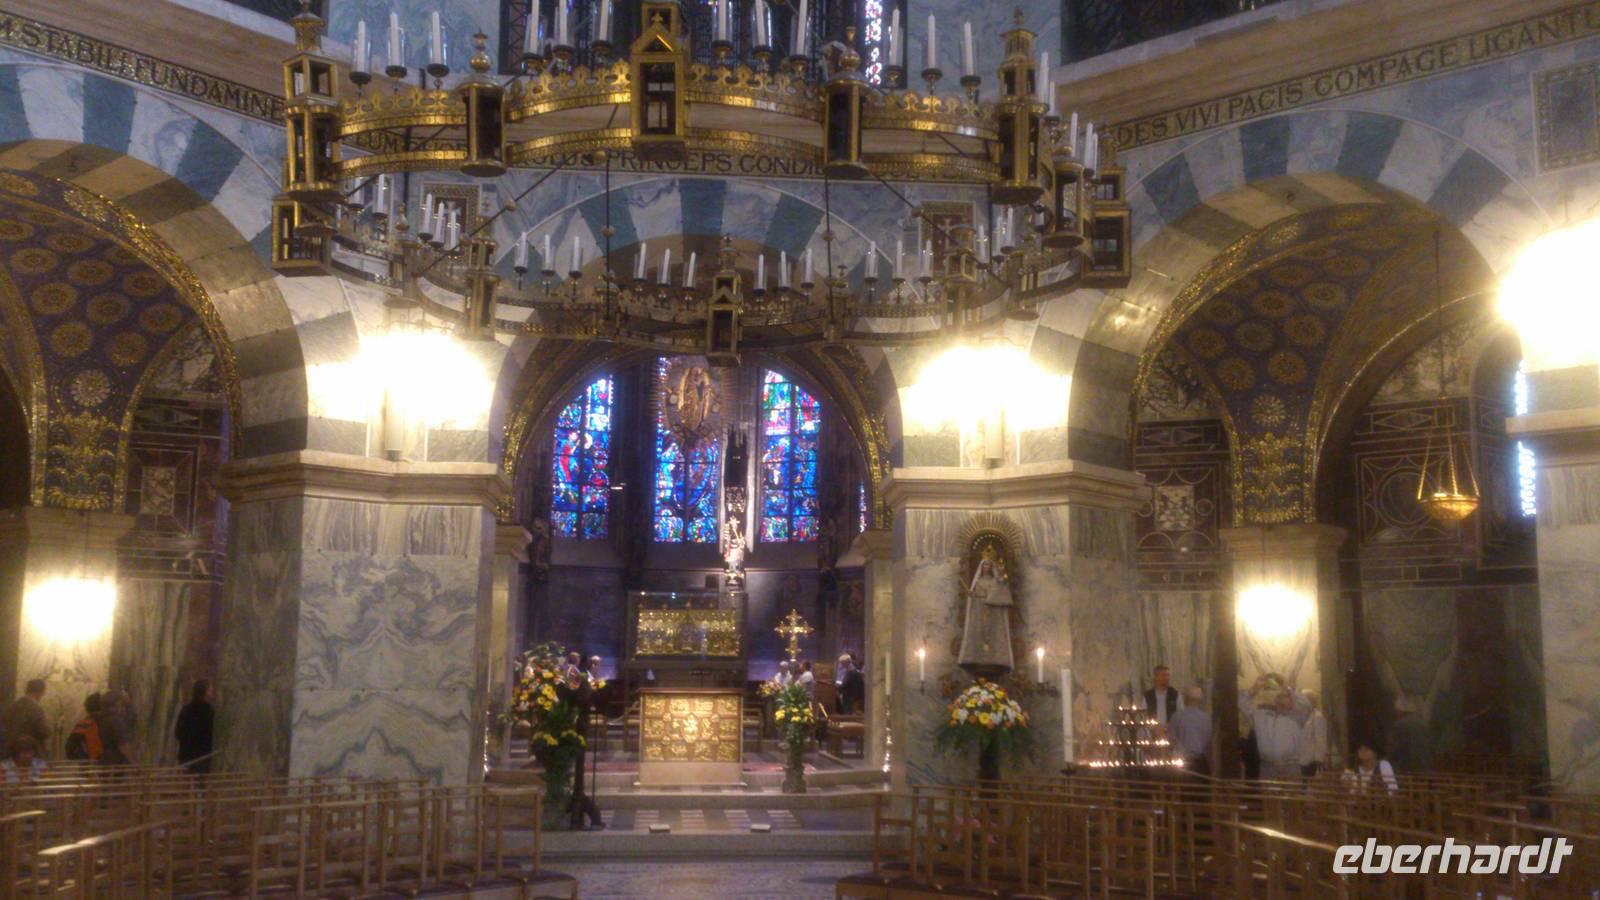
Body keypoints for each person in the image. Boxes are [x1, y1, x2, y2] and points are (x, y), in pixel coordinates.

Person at [1252, 687, 1309, 780]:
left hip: (1291, 766)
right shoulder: (1261, 715)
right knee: (1267, 790)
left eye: (1285, 696)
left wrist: (1291, 690)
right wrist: (1252, 690)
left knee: (1293, 789)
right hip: (1267, 766)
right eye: (1279, 696)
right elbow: (1242, 703)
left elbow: (1306, 705)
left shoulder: (1298, 716)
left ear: (1291, 700)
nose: (1282, 699)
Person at [1167, 685, 1212, 775]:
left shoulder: (1177, 717)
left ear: (1185, 699)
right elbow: (1209, 741)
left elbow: (1171, 738)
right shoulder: (1206, 718)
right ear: (1200, 701)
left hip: (1182, 763)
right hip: (1201, 763)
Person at [175, 679, 215, 773]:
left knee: (186, 781)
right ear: (205, 691)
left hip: (185, 756)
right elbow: (210, 734)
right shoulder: (208, 711)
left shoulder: (185, 709)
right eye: (210, 689)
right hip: (202, 757)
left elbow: (178, 732)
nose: (212, 691)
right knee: (199, 781)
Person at [2, 678, 50, 757]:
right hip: (29, 753)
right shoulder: (36, 708)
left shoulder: (12, 707)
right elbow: (44, 732)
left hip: (12, 751)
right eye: (42, 693)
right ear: (39, 692)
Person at [95, 690, 135, 767]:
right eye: (122, 705)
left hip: (105, 761)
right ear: (115, 706)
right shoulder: (116, 721)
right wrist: (135, 765)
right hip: (116, 763)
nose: (124, 708)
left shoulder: (102, 719)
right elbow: (123, 746)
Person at [65, 693, 103, 762]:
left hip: (84, 764)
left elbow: (69, 748)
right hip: (101, 763)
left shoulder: (81, 723)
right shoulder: (104, 722)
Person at [1298, 689, 1328, 776]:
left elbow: (1321, 740)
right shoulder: (1299, 715)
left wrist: (1318, 760)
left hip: (1310, 761)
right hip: (1298, 760)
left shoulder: (1317, 717)